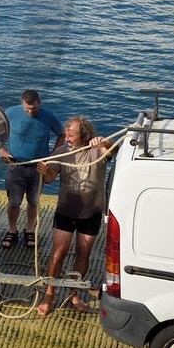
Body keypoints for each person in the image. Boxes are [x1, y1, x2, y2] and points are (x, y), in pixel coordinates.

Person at [36, 116, 119, 316]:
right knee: (58, 254)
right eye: (67, 134)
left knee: (83, 254)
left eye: (72, 135)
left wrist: (103, 141)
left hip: (91, 213)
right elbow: (48, 179)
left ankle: (73, 294)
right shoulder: (61, 152)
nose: (68, 139)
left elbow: (115, 148)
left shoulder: (97, 151)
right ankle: (49, 294)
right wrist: (44, 171)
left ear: (84, 135)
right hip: (65, 211)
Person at [0, 89, 64, 250]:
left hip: (38, 167)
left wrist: (52, 155)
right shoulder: (10, 113)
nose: (30, 111)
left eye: (33, 109)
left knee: (33, 201)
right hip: (15, 166)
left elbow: (62, 134)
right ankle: (12, 231)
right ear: (22, 103)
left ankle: (29, 230)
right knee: (14, 202)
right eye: (27, 108)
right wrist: (1, 150)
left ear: (39, 103)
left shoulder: (48, 116)